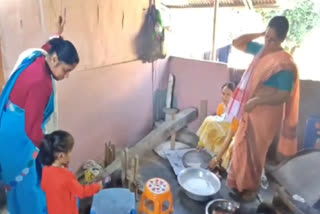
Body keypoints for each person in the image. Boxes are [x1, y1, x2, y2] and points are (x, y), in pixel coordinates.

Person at [0, 17, 79, 214]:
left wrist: (58, 35)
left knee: (23, 183)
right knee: (28, 186)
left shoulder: (39, 56)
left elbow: (50, 44)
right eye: (66, 70)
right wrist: (52, 152)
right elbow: (32, 129)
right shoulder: (40, 84)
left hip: (10, 125)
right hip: (18, 138)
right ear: (54, 60)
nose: (66, 75)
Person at [226, 16, 300, 201]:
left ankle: (250, 191)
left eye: (272, 39)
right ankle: (238, 185)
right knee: (241, 147)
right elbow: (236, 43)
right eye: (266, 36)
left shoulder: (284, 63)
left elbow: (283, 95)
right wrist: (260, 33)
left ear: (282, 39)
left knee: (255, 153)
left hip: (267, 115)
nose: (268, 42)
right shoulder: (261, 50)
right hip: (251, 108)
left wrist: (258, 101)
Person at [39, 130, 103, 214]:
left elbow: (44, 186)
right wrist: (97, 187)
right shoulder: (66, 176)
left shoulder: (46, 170)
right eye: (70, 151)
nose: (71, 154)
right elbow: (81, 192)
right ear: (61, 155)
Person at [197, 82, 239, 171]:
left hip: (234, 137)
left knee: (232, 146)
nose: (225, 97)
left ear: (234, 95)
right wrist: (202, 142)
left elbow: (229, 137)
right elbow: (215, 128)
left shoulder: (236, 112)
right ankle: (216, 155)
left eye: (228, 94)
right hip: (225, 136)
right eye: (223, 94)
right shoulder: (221, 107)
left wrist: (217, 159)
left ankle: (223, 163)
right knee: (210, 120)